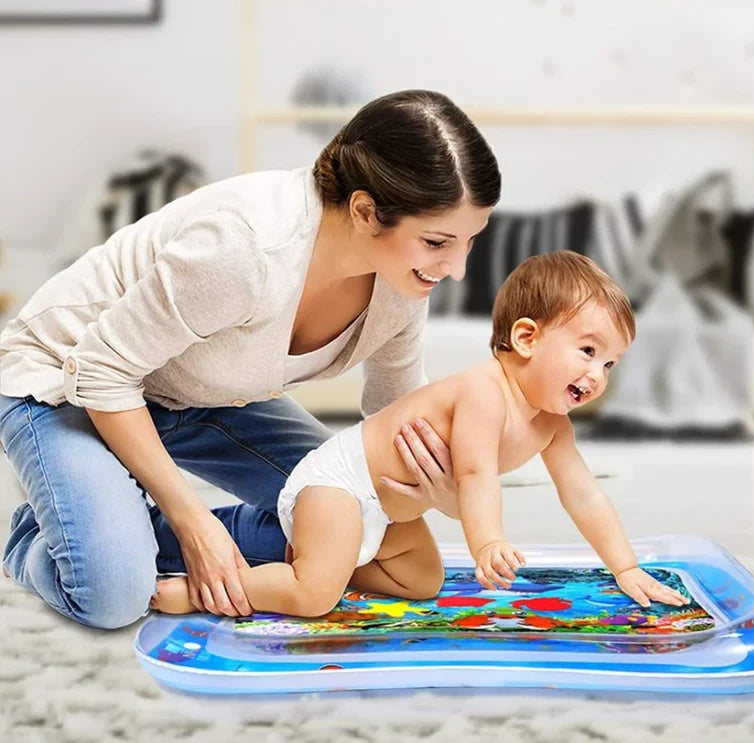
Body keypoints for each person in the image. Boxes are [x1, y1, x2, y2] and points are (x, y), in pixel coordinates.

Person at [0, 90, 500, 629]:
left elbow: (396, 416)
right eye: (437, 242)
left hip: (200, 395)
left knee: (374, 540)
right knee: (113, 594)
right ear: (364, 211)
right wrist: (193, 522)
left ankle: (114, 528)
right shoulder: (244, 249)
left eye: (470, 241)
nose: (456, 269)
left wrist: (443, 490)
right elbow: (102, 370)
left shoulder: (402, 284)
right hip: (67, 382)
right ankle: (40, 536)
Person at [151, 251, 690, 618]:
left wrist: (625, 565)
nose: (597, 375)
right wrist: (487, 541)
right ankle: (203, 592)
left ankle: (328, 564)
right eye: (588, 351)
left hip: (388, 513)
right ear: (526, 338)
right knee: (313, 596)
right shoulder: (485, 391)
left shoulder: (552, 426)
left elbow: (585, 494)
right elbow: (474, 473)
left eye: (610, 363)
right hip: (339, 487)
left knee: (422, 581)